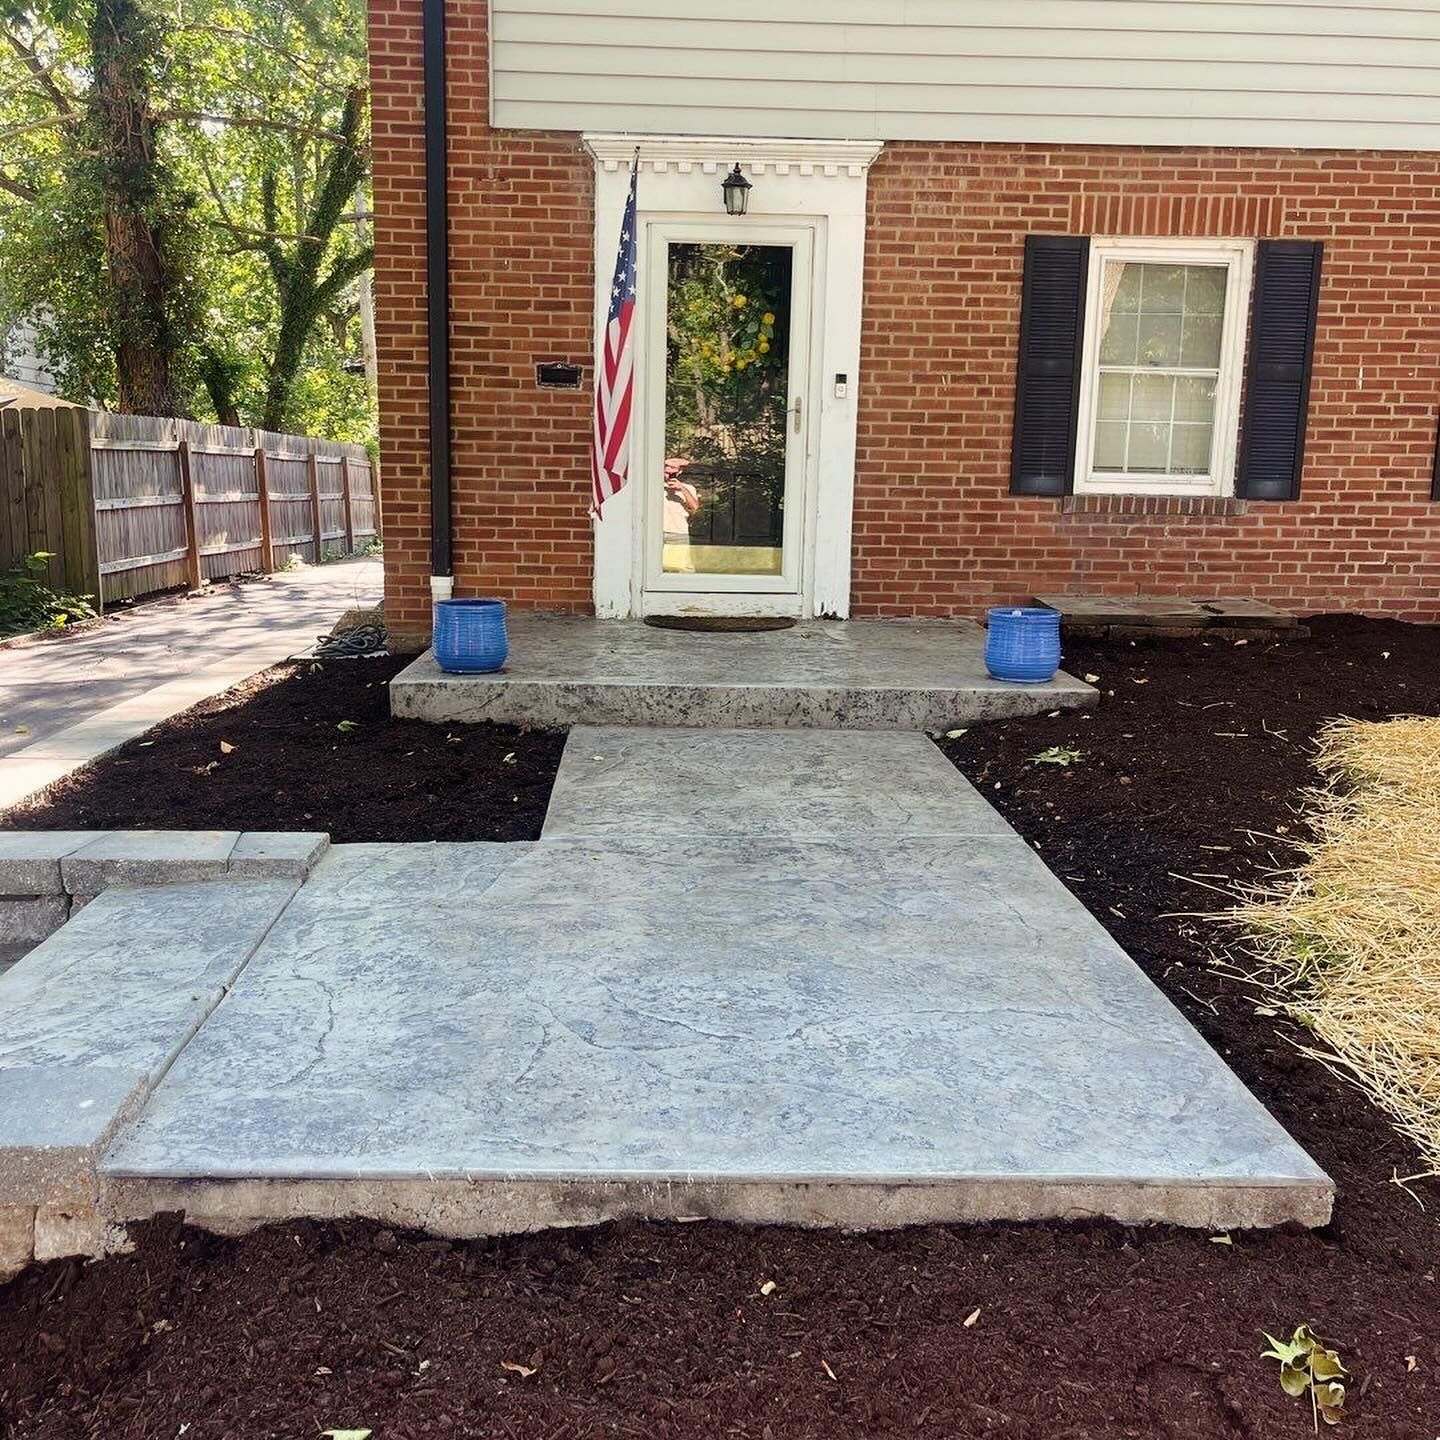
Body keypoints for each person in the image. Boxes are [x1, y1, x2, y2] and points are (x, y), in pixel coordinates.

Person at [662, 455, 700, 572]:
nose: (669, 470)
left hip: (677, 533)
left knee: (681, 568)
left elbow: (694, 508)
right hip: (656, 533)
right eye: (666, 466)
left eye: (673, 468)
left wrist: (682, 489)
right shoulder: (653, 487)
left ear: (679, 471)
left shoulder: (689, 488)